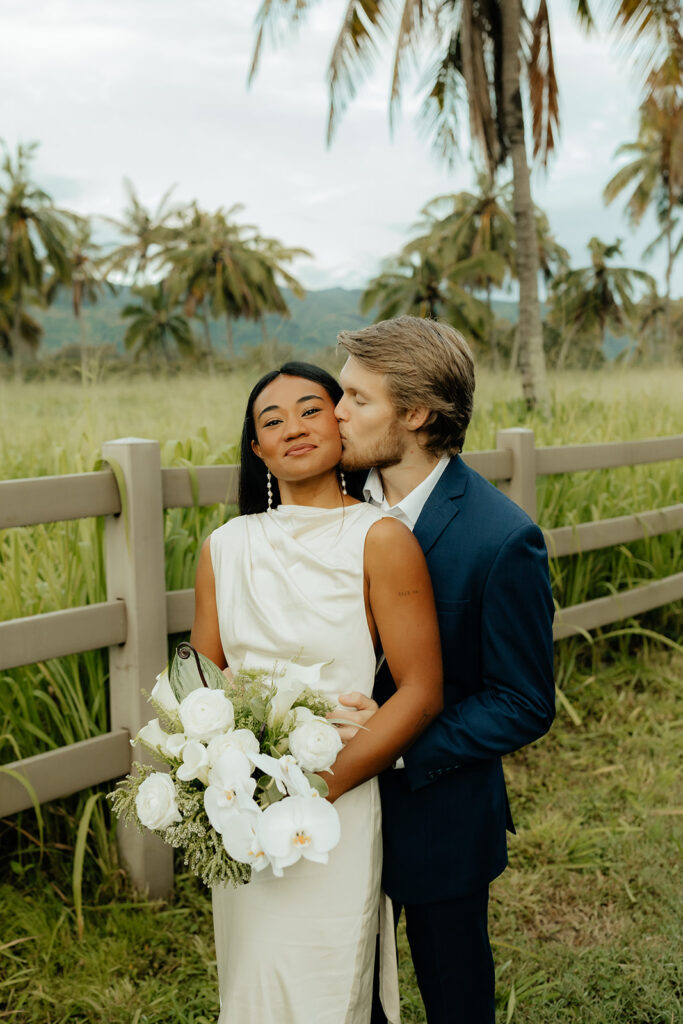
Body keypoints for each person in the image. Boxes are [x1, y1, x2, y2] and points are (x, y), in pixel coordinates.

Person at [190, 361, 443, 1024]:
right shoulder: (225, 545)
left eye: (311, 410)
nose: (293, 428)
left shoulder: (380, 537)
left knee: (327, 989)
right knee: (253, 984)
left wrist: (317, 789)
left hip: (336, 797)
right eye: (271, 421)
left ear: (339, 423)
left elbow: (420, 691)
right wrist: (210, 783)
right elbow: (200, 681)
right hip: (242, 800)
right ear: (256, 450)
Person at [333, 317, 556, 1024]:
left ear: (416, 414)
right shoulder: (323, 500)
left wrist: (395, 746)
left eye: (356, 399)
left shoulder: (501, 538)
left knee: (454, 996)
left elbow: (522, 701)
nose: (335, 412)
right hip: (331, 810)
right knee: (348, 993)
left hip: (441, 814)